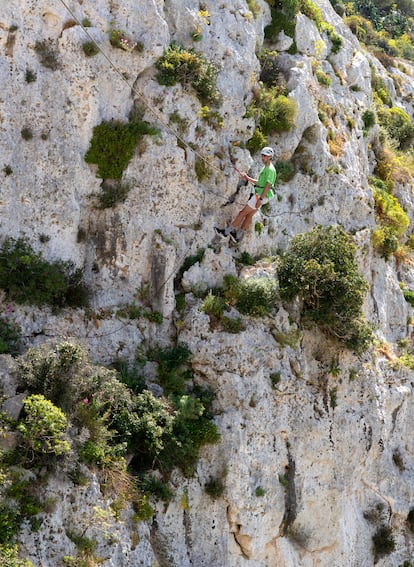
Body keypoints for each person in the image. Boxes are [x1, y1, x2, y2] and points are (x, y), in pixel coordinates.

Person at [215, 147, 276, 243]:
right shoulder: (266, 167)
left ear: (270, 157)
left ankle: (226, 232)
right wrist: (247, 178)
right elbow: (260, 183)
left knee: (242, 213)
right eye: (262, 155)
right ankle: (237, 237)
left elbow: (268, 186)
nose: (262, 157)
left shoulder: (270, 170)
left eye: (265, 156)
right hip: (262, 196)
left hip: (260, 196)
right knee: (249, 215)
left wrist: (260, 199)